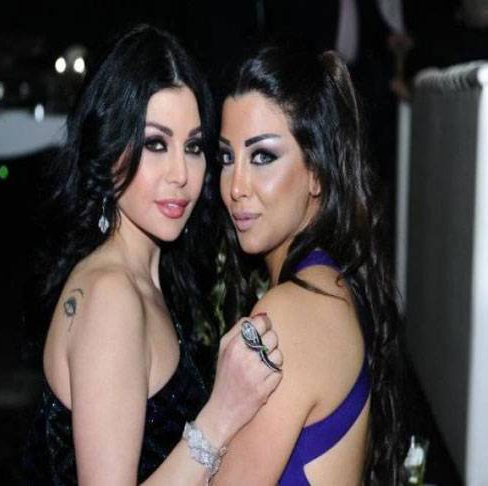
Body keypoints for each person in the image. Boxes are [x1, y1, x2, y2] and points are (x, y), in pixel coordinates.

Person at [23, 25, 283, 485]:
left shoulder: (144, 280)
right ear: (110, 148)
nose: (181, 173)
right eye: (155, 144)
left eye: (194, 147)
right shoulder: (111, 298)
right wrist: (220, 415)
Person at [215, 45, 402, 485]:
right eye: (226, 157)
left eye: (262, 156)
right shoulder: (332, 283)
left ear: (317, 172)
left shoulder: (289, 314)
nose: (235, 186)